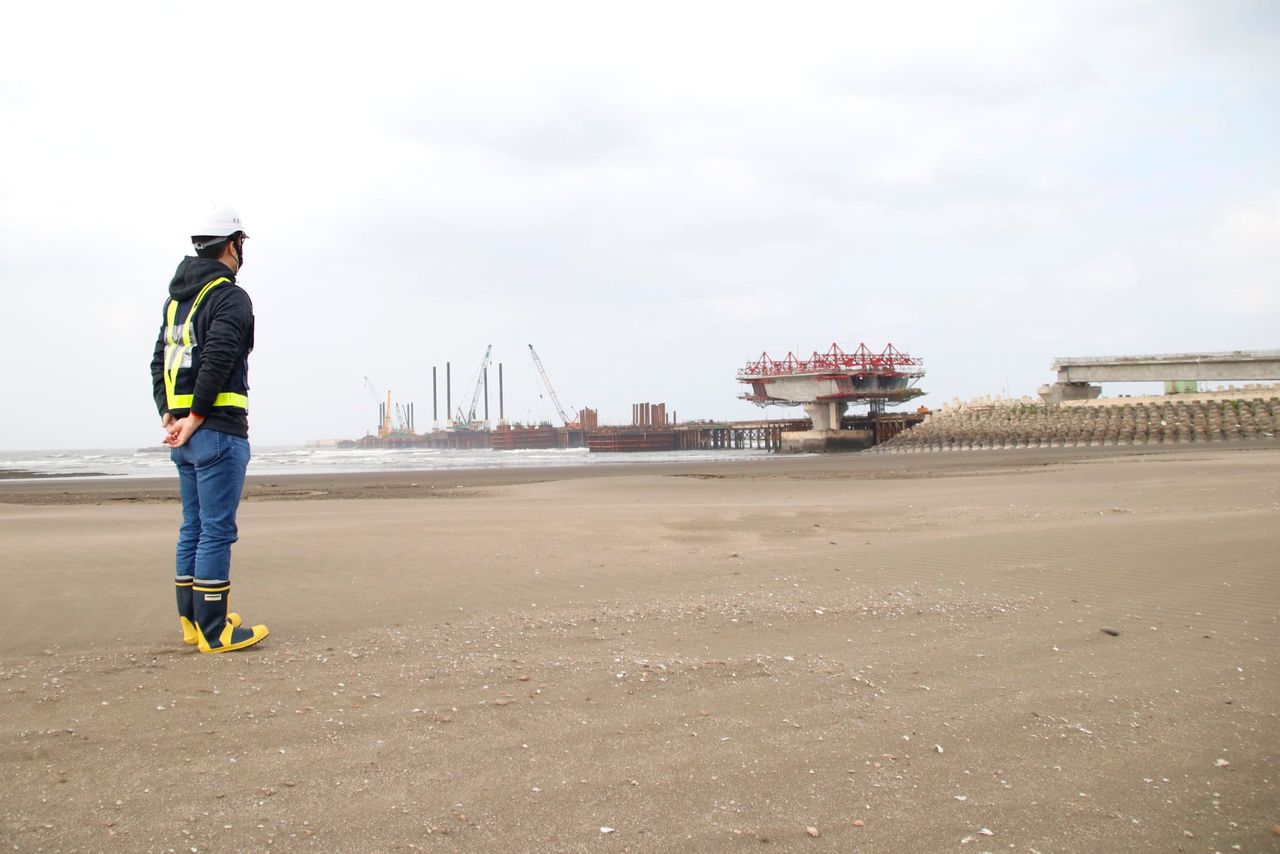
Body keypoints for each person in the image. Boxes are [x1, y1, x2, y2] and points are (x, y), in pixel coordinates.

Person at [150, 204, 268, 654]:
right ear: (232, 245)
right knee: (216, 531)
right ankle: (216, 632)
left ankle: (193, 621)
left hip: (184, 435)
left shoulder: (176, 302)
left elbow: (159, 360)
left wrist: (170, 415)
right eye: (242, 243)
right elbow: (218, 359)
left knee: (194, 527)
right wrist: (197, 417)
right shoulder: (229, 296)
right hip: (217, 431)